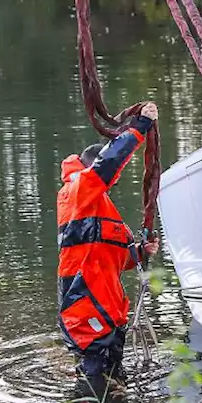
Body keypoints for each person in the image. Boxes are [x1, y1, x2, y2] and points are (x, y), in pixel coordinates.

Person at [57, 102, 159, 382]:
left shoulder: (97, 204)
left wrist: (139, 252)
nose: (111, 184)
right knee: (94, 383)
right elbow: (109, 163)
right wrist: (140, 126)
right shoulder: (77, 190)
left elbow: (109, 257)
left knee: (114, 379)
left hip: (109, 310)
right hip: (85, 305)